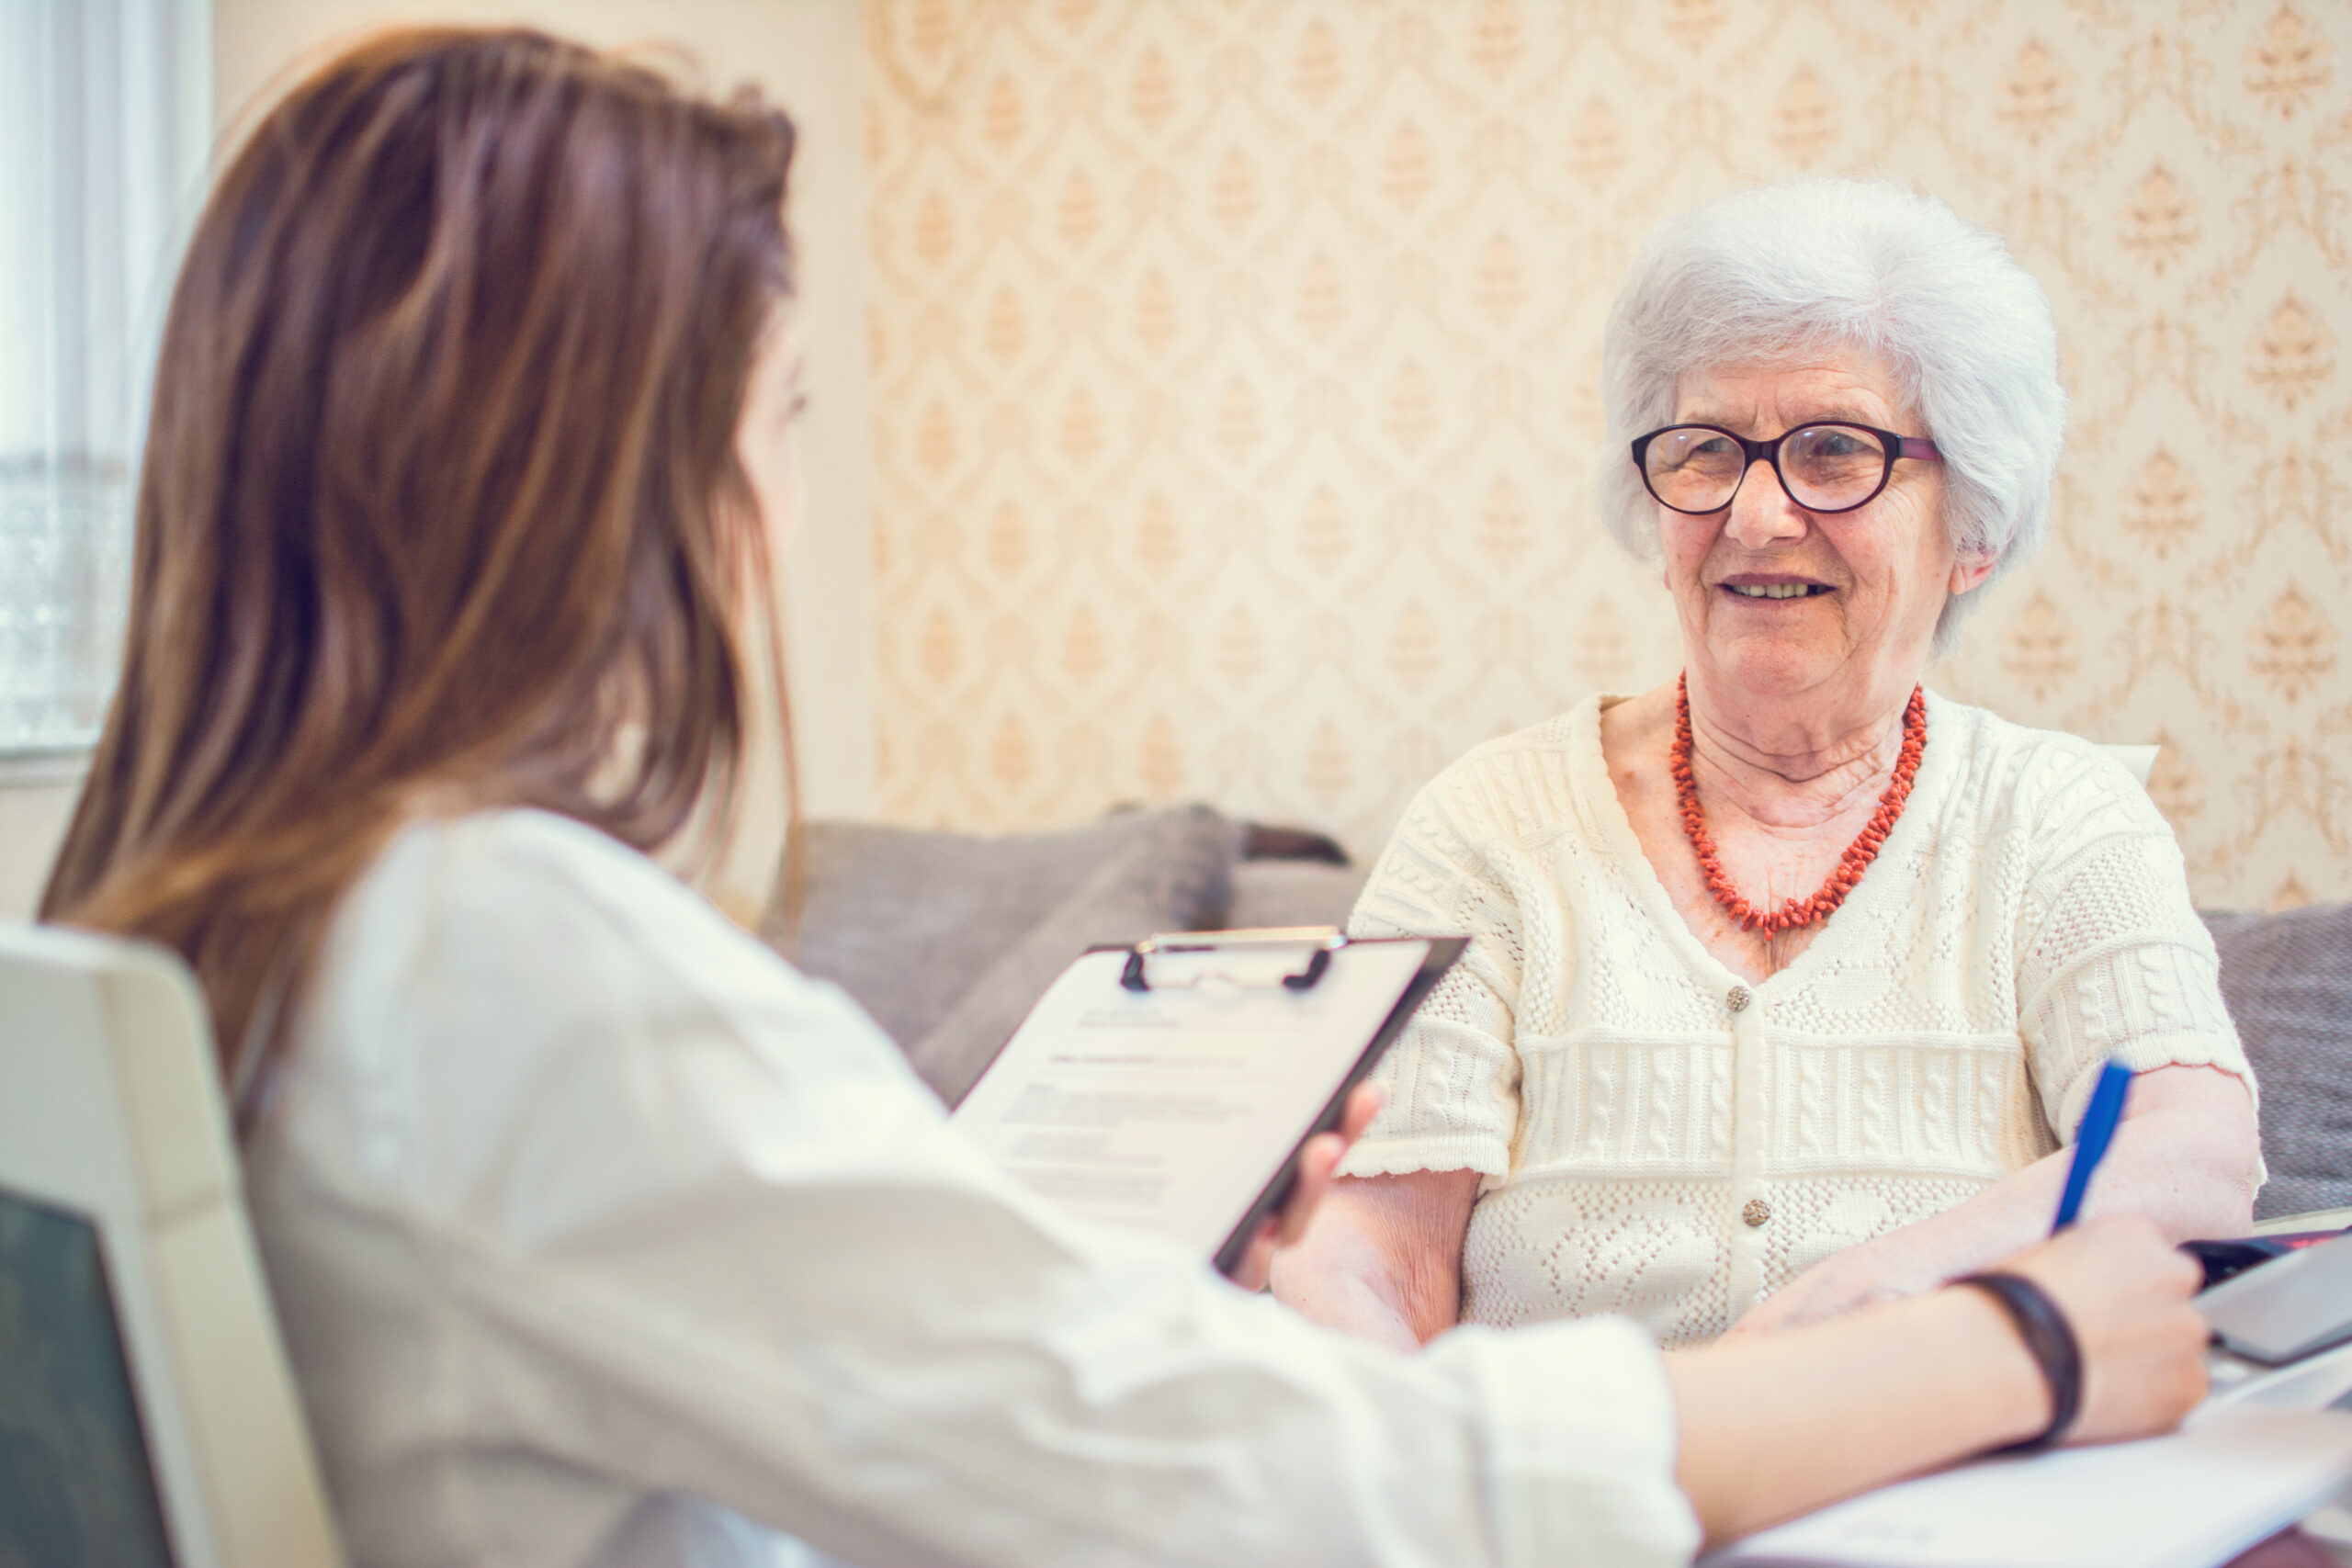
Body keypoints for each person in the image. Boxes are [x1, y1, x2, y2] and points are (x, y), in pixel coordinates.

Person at [41, 36, 2211, 1568]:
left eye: (1831, 451)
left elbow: (960, 1365)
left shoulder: (208, 925)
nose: (785, 506)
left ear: (1967, 522)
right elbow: (1253, 1479)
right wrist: (2001, 1340)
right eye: (778, 413)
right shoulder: (506, 962)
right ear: (597, 465)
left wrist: (1169, 1265)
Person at [1272, 178, 2264, 1355]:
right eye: (1704, 453)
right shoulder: (1490, 823)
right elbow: (1377, 1254)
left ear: (1975, 527)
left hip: (1937, 1489)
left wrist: (1870, 1294)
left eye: (1834, 450)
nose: (1753, 514)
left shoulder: (2054, 816)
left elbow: (2192, 1157)